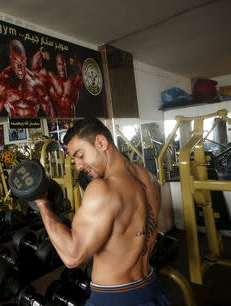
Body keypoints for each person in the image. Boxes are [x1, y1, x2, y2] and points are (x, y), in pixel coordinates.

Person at [34, 118, 169, 306]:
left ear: (101, 142)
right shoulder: (149, 178)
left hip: (115, 298)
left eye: (80, 155)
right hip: (152, 290)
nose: (78, 166)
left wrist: (42, 203)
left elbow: (72, 256)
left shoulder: (102, 189)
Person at [0, 40, 55, 117]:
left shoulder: (36, 83)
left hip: (33, 124)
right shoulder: (3, 83)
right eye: (16, 62)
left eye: (22, 61)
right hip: (13, 124)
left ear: (25, 60)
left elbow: (49, 110)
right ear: (11, 60)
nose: (20, 67)